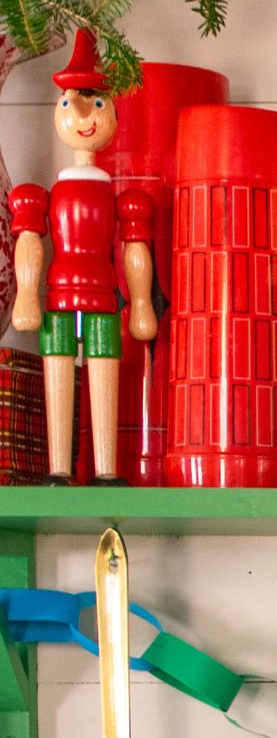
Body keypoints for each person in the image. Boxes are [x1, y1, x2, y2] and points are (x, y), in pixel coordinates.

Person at [9, 30, 156, 483]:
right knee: (58, 377)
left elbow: (135, 251)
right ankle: (57, 469)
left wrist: (142, 304)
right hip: (58, 297)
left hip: (103, 299)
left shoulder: (122, 200)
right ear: (59, 110)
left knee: (104, 377)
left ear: (109, 112)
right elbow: (30, 242)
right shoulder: (45, 196)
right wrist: (27, 296)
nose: (84, 115)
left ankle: (106, 469)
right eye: (72, 102)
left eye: (96, 104)